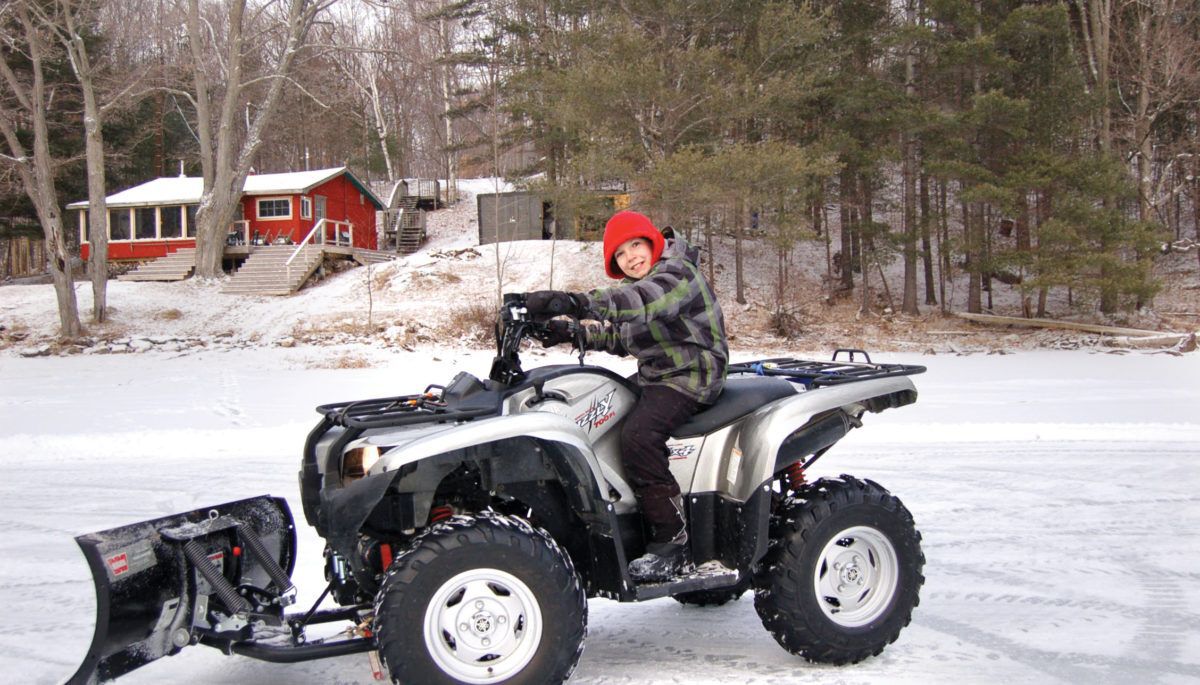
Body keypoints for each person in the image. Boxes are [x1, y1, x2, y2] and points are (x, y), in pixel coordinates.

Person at [520, 210, 728, 582]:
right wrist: (568, 332)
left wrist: (574, 302)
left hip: (692, 375)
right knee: (605, 415)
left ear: (652, 242)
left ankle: (671, 542)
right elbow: (623, 336)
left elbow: (640, 301)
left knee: (638, 437)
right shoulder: (646, 284)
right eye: (620, 254)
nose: (631, 256)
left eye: (636, 245)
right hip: (657, 375)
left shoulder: (677, 274)